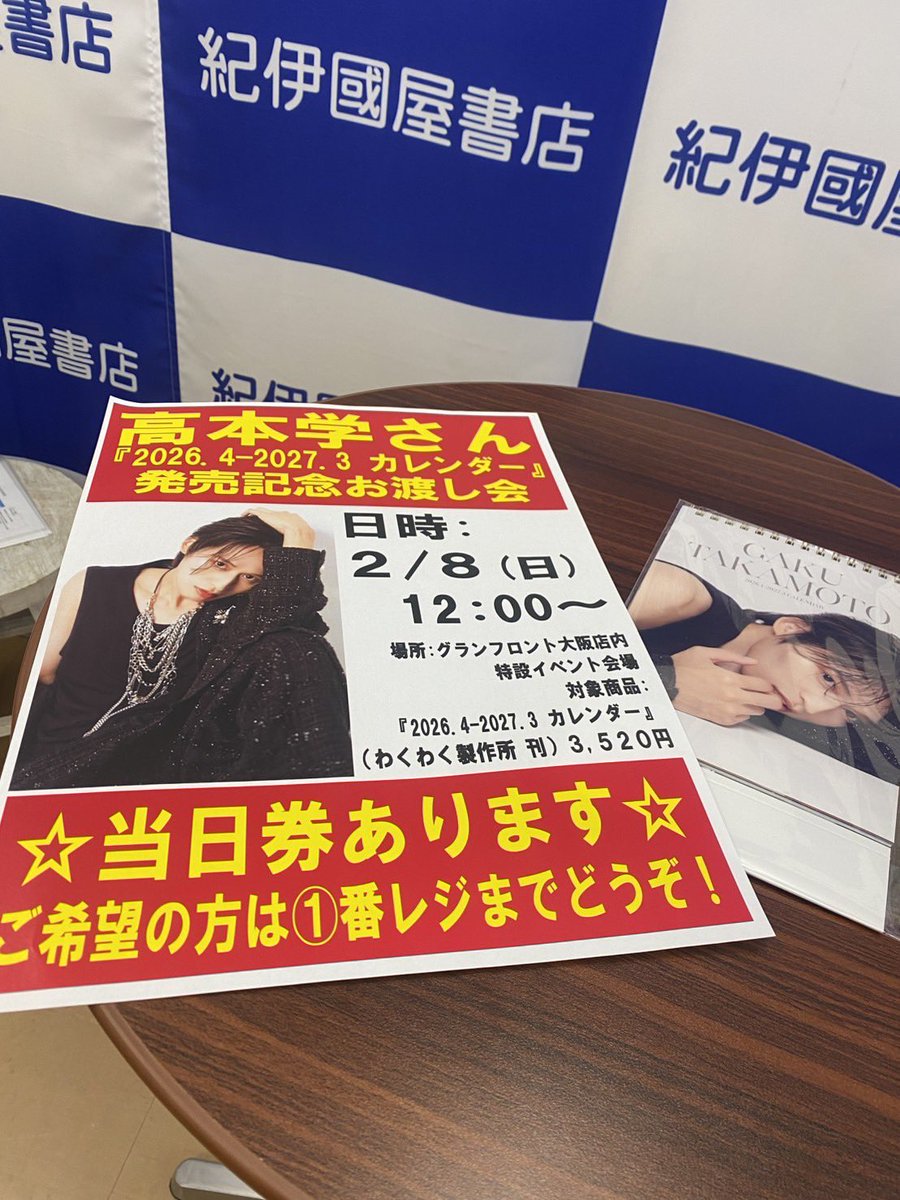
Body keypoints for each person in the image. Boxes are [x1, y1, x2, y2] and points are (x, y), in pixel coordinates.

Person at [12, 508, 352, 789]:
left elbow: (292, 618)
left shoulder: (234, 616)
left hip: (143, 763)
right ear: (189, 544)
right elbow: (45, 672)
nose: (222, 584)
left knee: (297, 648)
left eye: (250, 578)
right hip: (55, 754)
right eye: (221, 563)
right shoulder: (95, 582)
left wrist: (297, 537)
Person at [628, 561, 900, 783]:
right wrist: (666, 680)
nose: (813, 707)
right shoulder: (682, 595)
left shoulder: (762, 722)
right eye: (828, 678)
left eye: (849, 714)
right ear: (791, 628)